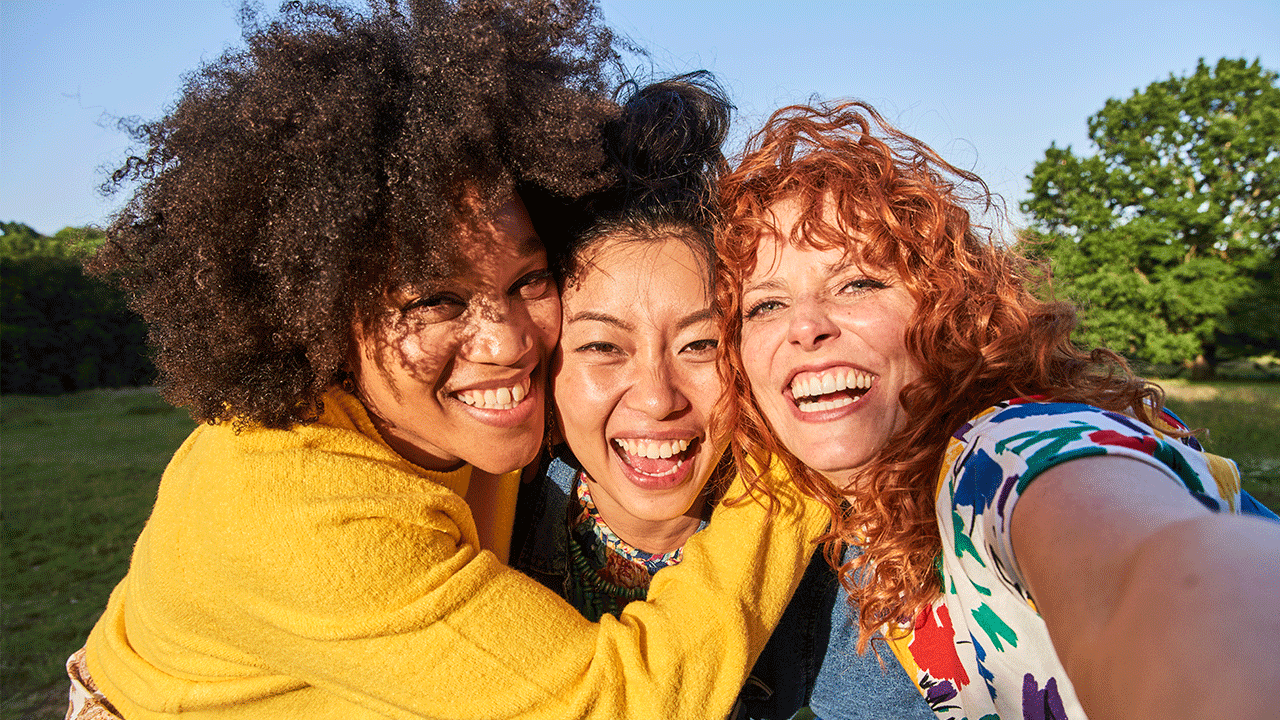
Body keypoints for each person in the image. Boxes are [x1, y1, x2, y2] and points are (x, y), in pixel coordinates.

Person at [64, 4, 825, 719]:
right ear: (324, 310)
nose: (509, 343)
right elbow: (620, 700)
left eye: (529, 281)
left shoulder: (440, 409)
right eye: (435, 301)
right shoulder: (298, 515)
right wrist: (802, 459)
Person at [714, 100, 1280, 720]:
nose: (805, 327)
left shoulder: (1003, 451)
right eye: (764, 305)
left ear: (945, 312)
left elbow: (1154, 568)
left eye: (857, 283)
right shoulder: (829, 532)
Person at [508, 76, 932, 720]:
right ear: (543, 363)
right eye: (602, 347)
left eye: (701, 345)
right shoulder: (484, 520)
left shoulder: (834, 559)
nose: (657, 399)